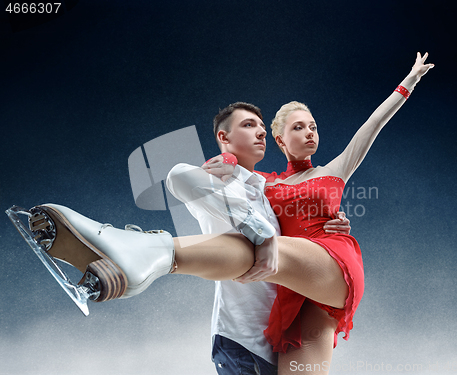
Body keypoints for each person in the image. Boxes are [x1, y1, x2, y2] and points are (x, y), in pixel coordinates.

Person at [17, 52, 433, 374]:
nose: (311, 133)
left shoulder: (334, 170)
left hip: (329, 264)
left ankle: (147, 251)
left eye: (315, 126)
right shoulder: (264, 184)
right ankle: (145, 254)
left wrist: (408, 83)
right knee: (253, 242)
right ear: (279, 138)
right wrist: (227, 163)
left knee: (261, 247)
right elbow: (232, 192)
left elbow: (371, 127)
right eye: (299, 127)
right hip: (292, 293)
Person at [166, 102, 351, 374]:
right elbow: (177, 177)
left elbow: (299, 221)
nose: (261, 133)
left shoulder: (268, 190)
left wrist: (332, 220)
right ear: (223, 137)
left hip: (279, 339)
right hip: (242, 340)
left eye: (263, 128)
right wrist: (256, 229)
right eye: (249, 125)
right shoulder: (217, 183)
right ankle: (142, 252)